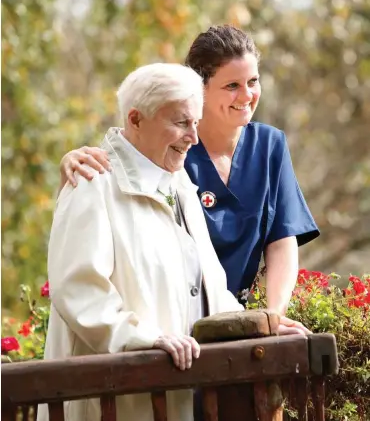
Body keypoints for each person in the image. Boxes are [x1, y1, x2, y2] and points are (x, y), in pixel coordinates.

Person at [59, 25, 319, 336]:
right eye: (232, 85)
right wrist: (71, 164)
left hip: (229, 316)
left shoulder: (266, 146)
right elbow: (123, 162)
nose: (247, 95)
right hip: (162, 327)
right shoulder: (171, 155)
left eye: (253, 81)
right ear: (200, 89)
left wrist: (268, 320)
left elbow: (281, 240)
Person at [39, 63, 244, 421]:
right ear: (135, 119)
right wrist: (143, 337)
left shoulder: (181, 186)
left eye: (196, 122)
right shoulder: (92, 183)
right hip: (112, 405)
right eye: (181, 123)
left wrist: (259, 321)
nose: (194, 137)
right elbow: (78, 290)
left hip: (185, 398)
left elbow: (209, 286)